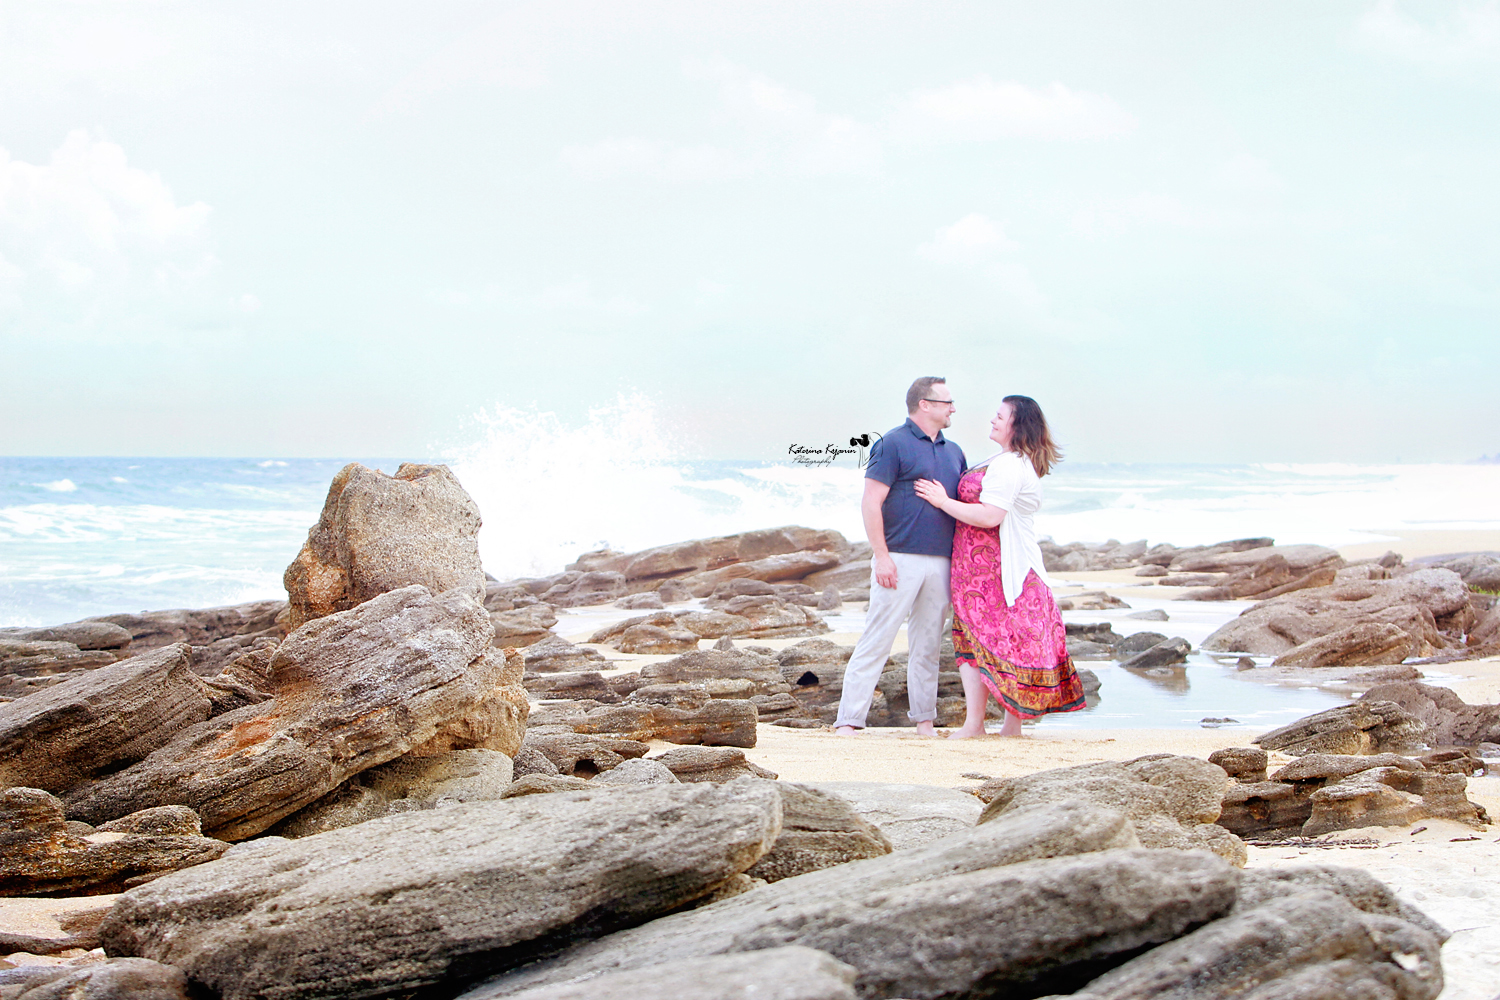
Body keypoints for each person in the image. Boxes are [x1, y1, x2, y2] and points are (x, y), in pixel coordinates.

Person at [913, 395, 1084, 737]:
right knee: (983, 641)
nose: (992, 420)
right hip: (979, 565)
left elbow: (991, 516)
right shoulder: (1006, 459)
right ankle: (998, 725)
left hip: (995, 568)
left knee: (990, 641)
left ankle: (985, 725)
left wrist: (943, 502)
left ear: (1016, 425)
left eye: (1000, 415)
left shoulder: (1010, 464)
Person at [834, 376, 967, 736]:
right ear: (925, 404)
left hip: (941, 562)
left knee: (927, 645)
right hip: (899, 557)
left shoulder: (954, 452)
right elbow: (871, 502)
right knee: (878, 638)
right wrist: (882, 556)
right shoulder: (893, 443)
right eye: (947, 402)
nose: (953, 408)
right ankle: (849, 720)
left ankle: (925, 721)